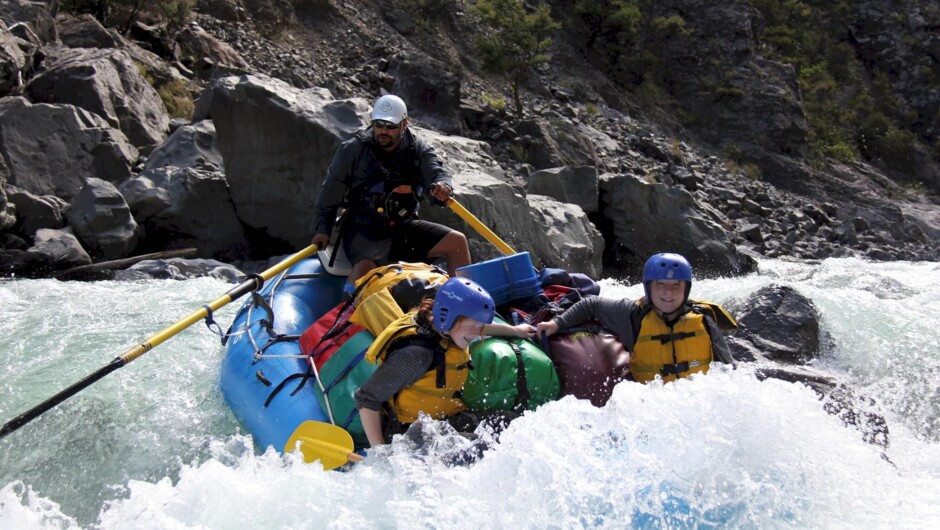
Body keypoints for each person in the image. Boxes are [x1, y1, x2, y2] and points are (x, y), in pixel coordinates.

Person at [311, 94, 470, 298]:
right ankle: (347, 314)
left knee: (457, 241)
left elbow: (436, 172)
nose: (384, 131)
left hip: (403, 226)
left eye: (391, 126)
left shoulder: (418, 149)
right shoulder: (354, 149)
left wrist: (442, 186)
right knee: (366, 267)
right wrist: (322, 229)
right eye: (379, 124)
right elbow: (330, 191)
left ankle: (462, 303)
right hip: (363, 227)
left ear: (404, 124)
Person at [355, 277, 535, 447]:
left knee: (513, 422)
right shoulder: (417, 354)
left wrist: (515, 330)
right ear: (449, 318)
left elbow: (477, 324)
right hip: (409, 434)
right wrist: (379, 454)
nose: (477, 334)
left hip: (443, 421)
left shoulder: (445, 326)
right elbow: (366, 398)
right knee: (483, 448)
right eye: (473, 327)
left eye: (479, 327)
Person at [536, 253, 735, 383]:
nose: (668, 293)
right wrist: (556, 323)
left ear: (686, 289)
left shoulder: (703, 319)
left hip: (697, 405)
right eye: (660, 284)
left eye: (676, 285)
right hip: (650, 406)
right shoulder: (633, 314)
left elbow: (729, 368)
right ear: (649, 287)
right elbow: (591, 305)